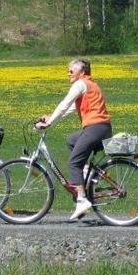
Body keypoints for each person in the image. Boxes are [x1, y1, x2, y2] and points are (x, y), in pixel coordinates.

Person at [35, 58, 112, 220]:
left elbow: (64, 104)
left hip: (95, 128)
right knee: (71, 140)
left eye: (72, 70)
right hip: (102, 128)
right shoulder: (90, 84)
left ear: (82, 72)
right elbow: (69, 108)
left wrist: (49, 123)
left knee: (73, 162)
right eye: (68, 70)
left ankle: (82, 199)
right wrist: (50, 117)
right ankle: (84, 177)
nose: (68, 72)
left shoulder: (80, 84)